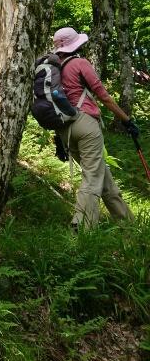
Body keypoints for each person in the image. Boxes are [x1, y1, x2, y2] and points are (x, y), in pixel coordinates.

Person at [52, 26, 137, 229]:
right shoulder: (80, 63)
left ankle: (128, 225)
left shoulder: (55, 69)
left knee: (101, 175)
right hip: (86, 124)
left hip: (66, 129)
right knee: (92, 176)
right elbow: (104, 96)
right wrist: (126, 121)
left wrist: (57, 139)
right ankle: (80, 227)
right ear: (76, 44)